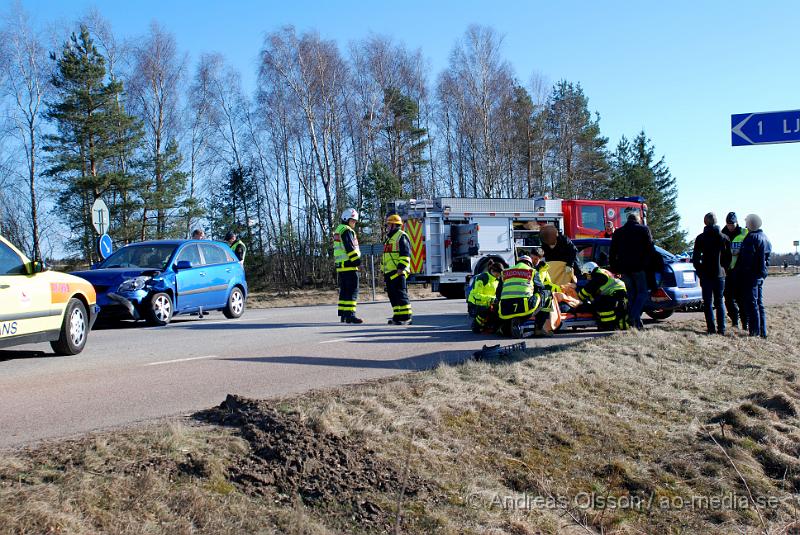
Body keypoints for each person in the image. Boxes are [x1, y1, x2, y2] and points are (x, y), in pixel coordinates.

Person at [609, 212, 653, 330]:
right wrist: (647, 265)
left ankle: (636, 324)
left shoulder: (618, 232)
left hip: (624, 269)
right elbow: (650, 249)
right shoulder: (644, 230)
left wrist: (614, 268)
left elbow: (612, 252)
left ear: (627, 220)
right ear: (638, 220)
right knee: (643, 293)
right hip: (639, 268)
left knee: (631, 295)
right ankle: (633, 316)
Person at [692, 213, 732, 335]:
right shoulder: (724, 237)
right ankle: (722, 329)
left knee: (708, 302)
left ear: (705, 222)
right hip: (720, 274)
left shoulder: (700, 238)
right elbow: (728, 257)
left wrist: (700, 271)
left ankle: (711, 328)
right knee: (719, 302)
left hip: (706, 274)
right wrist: (724, 269)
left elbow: (695, 259)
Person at [734, 214, 772, 338]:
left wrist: (740, 272)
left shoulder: (751, 238)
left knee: (752, 304)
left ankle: (754, 332)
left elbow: (747, 259)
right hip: (760, 274)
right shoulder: (766, 238)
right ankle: (763, 332)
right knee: (759, 304)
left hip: (751, 275)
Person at [495, 255, 546, 338]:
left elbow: (498, 293)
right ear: (529, 264)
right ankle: (539, 328)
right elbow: (540, 289)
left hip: (505, 309)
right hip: (525, 307)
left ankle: (507, 326)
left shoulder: (505, 272)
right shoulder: (532, 271)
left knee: (506, 309)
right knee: (545, 293)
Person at [577, 261, 628, 331]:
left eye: (586, 274)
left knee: (602, 305)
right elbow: (595, 291)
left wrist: (579, 297)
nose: (586, 277)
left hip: (616, 293)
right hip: (618, 292)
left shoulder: (598, 276)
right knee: (602, 304)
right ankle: (609, 325)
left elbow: (589, 288)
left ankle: (607, 325)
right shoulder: (601, 272)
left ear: (589, 271)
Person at [382, 214, 413, 325]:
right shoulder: (389, 238)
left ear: (394, 225)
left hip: (398, 272)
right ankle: (397, 316)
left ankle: (406, 317)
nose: (387, 227)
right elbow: (386, 256)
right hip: (389, 272)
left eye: (388, 225)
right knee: (392, 295)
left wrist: (400, 268)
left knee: (401, 294)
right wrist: (383, 270)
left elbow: (405, 254)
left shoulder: (401, 236)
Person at [333, 208, 363, 324]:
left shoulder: (339, 230)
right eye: (353, 221)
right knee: (352, 290)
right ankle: (350, 315)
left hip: (342, 266)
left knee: (345, 291)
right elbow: (350, 249)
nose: (354, 223)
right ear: (347, 219)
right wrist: (358, 263)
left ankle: (344, 315)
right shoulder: (346, 230)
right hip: (350, 265)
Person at [721, 212, 748, 330]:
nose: (730, 226)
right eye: (728, 224)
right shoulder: (722, 234)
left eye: (732, 224)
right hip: (728, 272)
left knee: (741, 298)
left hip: (741, 271)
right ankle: (734, 320)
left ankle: (745, 322)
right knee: (728, 298)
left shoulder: (744, 233)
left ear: (737, 223)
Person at [468, 260, 502, 334]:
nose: (499, 275)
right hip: (475, 304)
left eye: (500, 274)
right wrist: (491, 299)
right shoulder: (483, 278)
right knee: (485, 310)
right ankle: (476, 326)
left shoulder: (497, 280)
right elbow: (476, 295)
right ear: (492, 270)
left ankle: (489, 325)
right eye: (498, 273)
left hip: (488, 303)